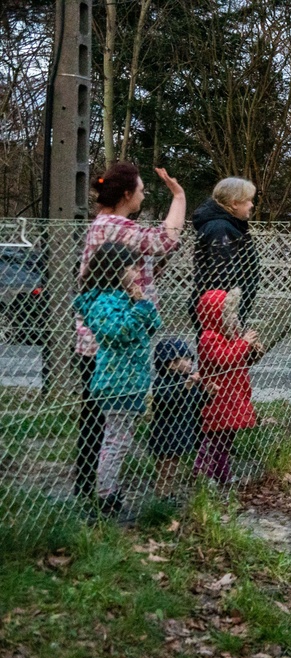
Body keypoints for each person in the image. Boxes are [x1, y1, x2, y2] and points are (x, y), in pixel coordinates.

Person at [74, 163, 185, 501]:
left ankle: (93, 487)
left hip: (107, 337)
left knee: (98, 421)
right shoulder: (114, 226)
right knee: (101, 423)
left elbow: (151, 260)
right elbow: (166, 239)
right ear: (126, 194)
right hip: (107, 341)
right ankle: (96, 490)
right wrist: (179, 196)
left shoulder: (110, 225)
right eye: (140, 189)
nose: (143, 193)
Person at [74, 242, 162, 516]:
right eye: (132, 266)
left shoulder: (125, 297)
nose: (138, 271)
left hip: (131, 380)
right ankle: (106, 494)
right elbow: (119, 331)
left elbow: (153, 326)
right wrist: (137, 308)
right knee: (116, 440)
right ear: (115, 269)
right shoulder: (104, 301)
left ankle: (109, 488)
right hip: (116, 381)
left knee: (120, 438)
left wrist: (140, 301)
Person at [194, 288, 263, 484]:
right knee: (214, 437)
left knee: (226, 440)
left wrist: (253, 351)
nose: (234, 318)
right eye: (229, 314)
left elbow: (240, 361)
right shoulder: (208, 337)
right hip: (218, 397)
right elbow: (223, 359)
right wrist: (243, 344)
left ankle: (222, 473)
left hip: (235, 395)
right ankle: (203, 471)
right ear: (216, 316)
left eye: (234, 313)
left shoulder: (231, 338)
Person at [150, 339, 217, 501]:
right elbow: (167, 402)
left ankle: (168, 494)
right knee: (166, 467)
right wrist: (184, 388)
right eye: (185, 359)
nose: (190, 363)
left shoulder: (188, 380)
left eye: (190, 359)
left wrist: (208, 394)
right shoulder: (162, 383)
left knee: (174, 467)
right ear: (171, 364)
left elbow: (196, 402)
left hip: (180, 433)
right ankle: (162, 496)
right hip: (165, 434)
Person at [190, 177, 260, 328]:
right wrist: (231, 313)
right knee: (221, 350)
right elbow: (223, 276)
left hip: (227, 309)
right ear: (234, 203)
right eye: (248, 200)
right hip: (222, 311)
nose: (251, 205)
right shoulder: (221, 229)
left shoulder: (231, 226)